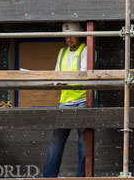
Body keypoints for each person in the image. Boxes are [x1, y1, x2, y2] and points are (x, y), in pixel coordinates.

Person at [43, 22, 88, 178]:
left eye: (72, 36)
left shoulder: (87, 50)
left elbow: (84, 76)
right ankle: (49, 176)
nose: (69, 39)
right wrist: (59, 81)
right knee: (56, 141)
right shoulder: (62, 52)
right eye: (66, 36)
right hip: (65, 101)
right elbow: (57, 75)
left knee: (84, 142)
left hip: (83, 100)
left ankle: (82, 176)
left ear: (79, 36)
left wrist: (65, 80)